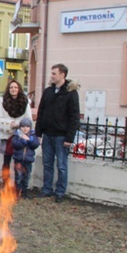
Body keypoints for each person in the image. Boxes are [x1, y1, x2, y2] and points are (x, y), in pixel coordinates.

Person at [35, 63, 80, 202]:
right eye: (52, 73)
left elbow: (74, 117)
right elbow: (41, 111)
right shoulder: (48, 91)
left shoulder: (71, 93)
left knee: (62, 166)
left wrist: (69, 138)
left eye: (54, 73)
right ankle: (47, 189)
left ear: (62, 75)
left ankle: (60, 192)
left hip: (62, 136)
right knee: (47, 164)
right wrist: (38, 132)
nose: (52, 76)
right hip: (48, 134)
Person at [0, 79, 32, 179]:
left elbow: (28, 120)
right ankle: (6, 184)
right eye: (11, 87)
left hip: (20, 136)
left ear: (19, 89)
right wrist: (9, 124)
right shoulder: (2, 102)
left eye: (15, 87)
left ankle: (18, 186)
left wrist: (19, 126)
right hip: (7, 136)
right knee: (6, 162)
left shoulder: (25, 102)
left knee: (19, 162)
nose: (13, 89)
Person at [11, 118, 40, 199]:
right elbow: (15, 144)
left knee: (26, 177)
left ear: (30, 128)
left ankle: (24, 192)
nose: (25, 128)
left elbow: (35, 144)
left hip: (28, 161)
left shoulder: (33, 136)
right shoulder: (17, 135)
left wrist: (29, 140)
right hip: (18, 160)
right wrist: (23, 141)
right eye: (23, 126)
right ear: (20, 127)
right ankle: (17, 192)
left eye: (27, 127)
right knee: (18, 177)